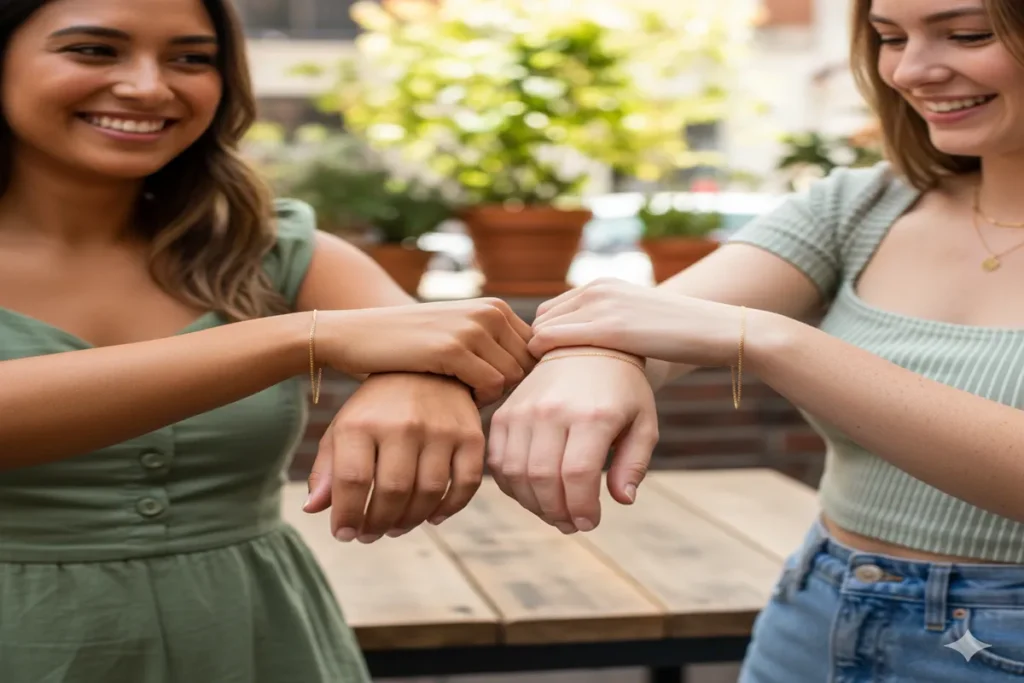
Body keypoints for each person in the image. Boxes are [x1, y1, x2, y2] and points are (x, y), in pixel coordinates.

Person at [0, 0, 535, 681]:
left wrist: (418, 377)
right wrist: (304, 337)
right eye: (94, 50)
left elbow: (439, 339)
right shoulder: (298, 315)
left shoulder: (272, 247)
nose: (149, 86)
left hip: (256, 640)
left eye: (191, 58)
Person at [492, 0, 1024, 679]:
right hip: (817, 611)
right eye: (890, 38)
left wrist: (773, 341)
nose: (910, 71)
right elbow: (655, 322)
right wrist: (600, 355)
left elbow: (721, 327)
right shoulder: (863, 204)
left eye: (969, 34)